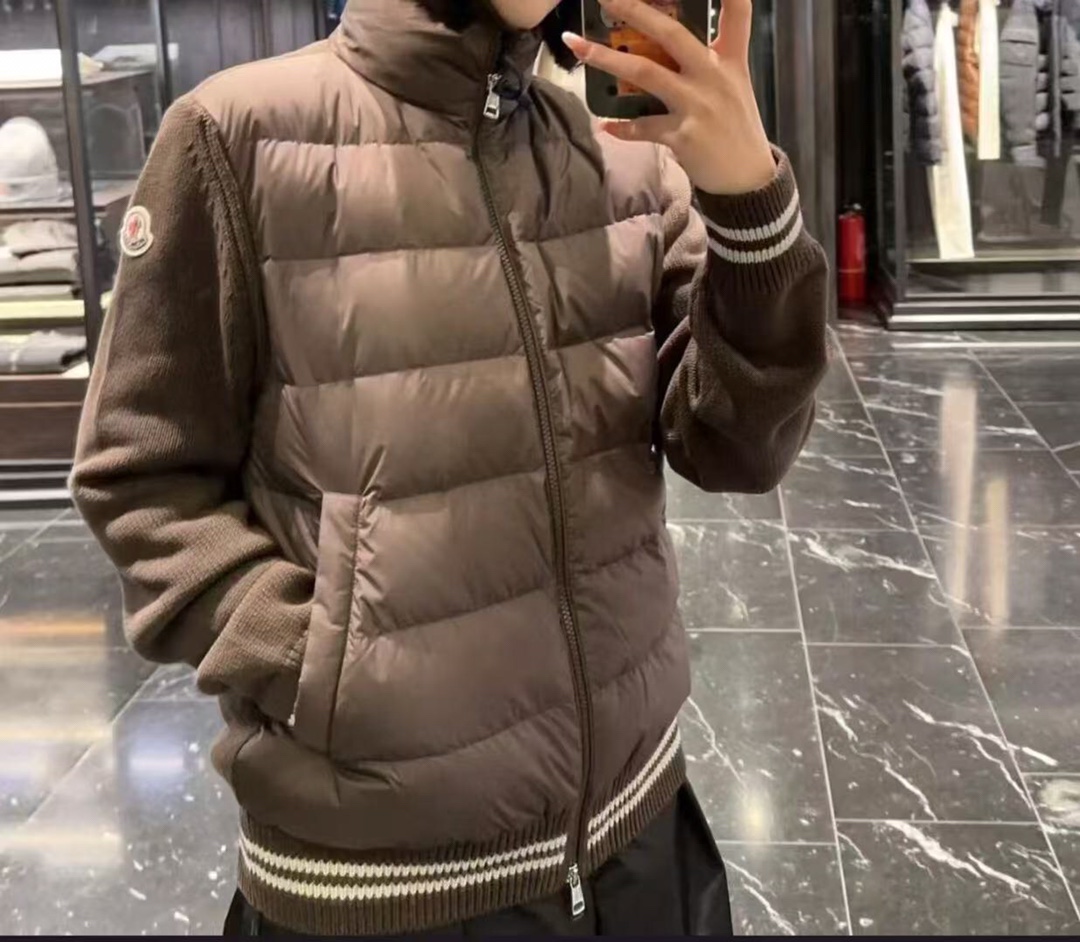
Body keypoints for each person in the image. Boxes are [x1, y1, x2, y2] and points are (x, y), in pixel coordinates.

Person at [70, 0, 828, 936]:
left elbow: (739, 445)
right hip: (383, 881)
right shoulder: (237, 136)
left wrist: (749, 205)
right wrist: (319, 667)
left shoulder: (625, 155)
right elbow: (140, 476)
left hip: (641, 841)